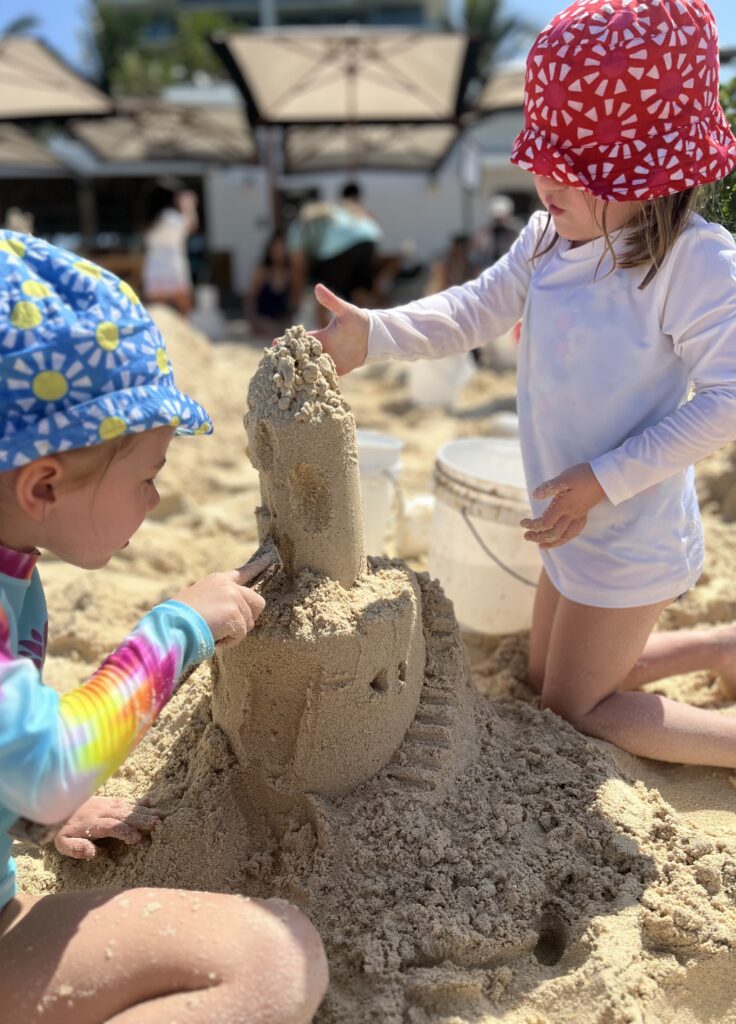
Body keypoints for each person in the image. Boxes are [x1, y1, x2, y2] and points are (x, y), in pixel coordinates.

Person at [310, 0, 736, 770]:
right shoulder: (547, 239)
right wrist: (373, 335)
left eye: (577, 166)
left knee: (577, 709)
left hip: (629, 533)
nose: (545, 179)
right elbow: (474, 309)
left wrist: (604, 480)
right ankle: (719, 646)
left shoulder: (695, 265)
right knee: (548, 680)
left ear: (651, 171)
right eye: (543, 153)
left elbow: (728, 399)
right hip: (567, 520)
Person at [0, 231, 328, 1023]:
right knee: (277, 956)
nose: (157, 502)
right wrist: (177, 629)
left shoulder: (0, 564)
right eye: (147, 477)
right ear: (43, 484)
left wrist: (29, 808)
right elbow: (49, 765)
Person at [288, 182, 383, 326]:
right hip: (370, 237)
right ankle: (369, 333)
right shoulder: (339, 210)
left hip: (338, 246)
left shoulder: (295, 228)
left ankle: (324, 341)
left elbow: (298, 268)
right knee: (360, 292)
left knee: (322, 294)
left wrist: (294, 304)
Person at [141, 179, 198, 315]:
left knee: (156, 310)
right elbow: (191, 226)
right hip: (173, 264)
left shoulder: (150, 221)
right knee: (183, 306)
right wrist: (189, 207)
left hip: (153, 265)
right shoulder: (170, 217)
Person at [246, 229, 294, 338]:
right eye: (276, 248)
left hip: (283, 324)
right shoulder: (261, 272)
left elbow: (293, 302)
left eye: (282, 248)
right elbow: (250, 299)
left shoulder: (290, 273)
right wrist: (253, 322)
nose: (279, 252)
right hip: (264, 322)